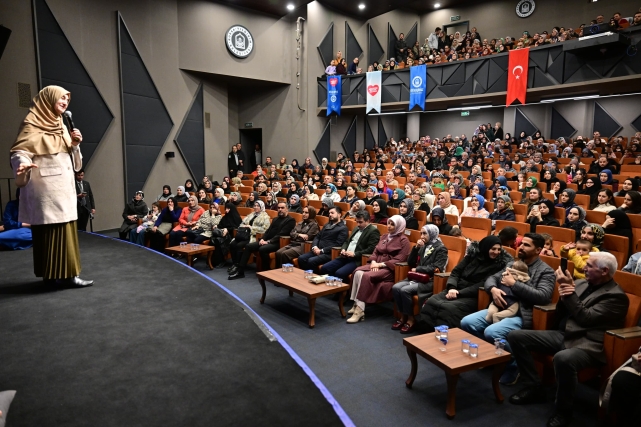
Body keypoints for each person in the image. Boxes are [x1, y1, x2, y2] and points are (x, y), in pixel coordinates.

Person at [507, 252, 629, 427]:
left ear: (604, 271)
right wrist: (564, 293)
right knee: (516, 336)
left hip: (587, 344)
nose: (583, 268)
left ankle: (563, 412)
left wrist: (568, 291)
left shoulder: (616, 296)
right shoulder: (580, 283)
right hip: (564, 334)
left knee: (563, 358)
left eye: (589, 266)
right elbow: (562, 310)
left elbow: (586, 318)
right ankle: (534, 387)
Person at [10, 87, 93, 286]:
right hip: (45, 190)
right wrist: (22, 164)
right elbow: (20, 152)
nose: (65, 102)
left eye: (67, 99)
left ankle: (68, 275)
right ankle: (52, 275)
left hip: (64, 190)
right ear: (48, 99)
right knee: (48, 234)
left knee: (67, 232)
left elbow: (75, 164)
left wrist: (75, 145)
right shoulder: (32, 123)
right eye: (61, 98)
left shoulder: (62, 125)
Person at [460, 234, 556, 385]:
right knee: (467, 322)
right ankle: (493, 357)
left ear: (538, 250)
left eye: (526, 245)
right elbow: (492, 278)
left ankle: (514, 364)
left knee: (492, 332)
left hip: (522, 313)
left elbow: (543, 296)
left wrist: (514, 284)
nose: (521, 247)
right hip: (501, 307)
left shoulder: (546, 271)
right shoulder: (512, 263)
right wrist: (493, 289)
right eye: (521, 243)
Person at [420, 236, 512, 330]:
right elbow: (456, 272)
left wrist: (459, 293)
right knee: (432, 301)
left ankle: (447, 334)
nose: (496, 252)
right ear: (486, 247)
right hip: (455, 288)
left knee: (449, 308)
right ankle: (426, 331)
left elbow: (483, 283)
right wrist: (452, 287)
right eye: (493, 249)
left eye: (499, 249)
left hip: (472, 295)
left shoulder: (499, 264)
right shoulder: (472, 255)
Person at [346, 215, 411, 323]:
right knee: (357, 271)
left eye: (392, 224)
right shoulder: (384, 236)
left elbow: (400, 258)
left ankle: (359, 310)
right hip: (376, 264)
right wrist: (373, 261)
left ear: (399, 226)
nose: (389, 226)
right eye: (389, 223)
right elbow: (375, 251)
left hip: (389, 269)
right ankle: (356, 303)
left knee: (365, 276)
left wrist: (380, 265)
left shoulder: (404, 240)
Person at [392, 225, 448, 334]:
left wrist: (418, 269)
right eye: (421, 233)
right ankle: (402, 316)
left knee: (405, 290)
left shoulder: (441, 248)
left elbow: (437, 267)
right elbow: (410, 262)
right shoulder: (422, 246)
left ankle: (411, 319)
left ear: (432, 234)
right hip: (416, 277)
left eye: (425, 233)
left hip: (429, 280)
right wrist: (416, 248)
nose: (422, 236)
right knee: (395, 287)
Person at [228, 202, 295, 279]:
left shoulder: (290, 220)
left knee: (262, 249)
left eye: (282, 208)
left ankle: (266, 270)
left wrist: (268, 241)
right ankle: (240, 271)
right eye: (279, 208)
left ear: (287, 209)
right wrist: (263, 239)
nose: (280, 209)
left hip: (278, 242)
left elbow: (281, 234)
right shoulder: (275, 219)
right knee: (248, 246)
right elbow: (267, 231)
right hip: (267, 241)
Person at [319, 211, 380, 282]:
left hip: (357, 260)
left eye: (360, 222)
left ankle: (340, 288)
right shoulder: (356, 228)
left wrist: (354, 254)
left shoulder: (373, 231)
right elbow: (347, 241)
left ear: (368, 221)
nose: (358, 224)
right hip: (345, 256)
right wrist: (343, 249)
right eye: (357, 222)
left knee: (339, 273)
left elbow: (371, 249)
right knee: (325, 268)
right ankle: (330, 286)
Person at [297, 206, 348, 272]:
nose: (330, 215)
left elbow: (338, 244)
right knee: (301, 258)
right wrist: (315, 246)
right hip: (317, 250)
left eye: (332, 213)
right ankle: (306, 274)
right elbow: (317, 236)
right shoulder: (327, 225)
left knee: (311, 261)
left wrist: (322, 251)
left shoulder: (343, 228)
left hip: (329, 253)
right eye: (329, 213)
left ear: (339, 214)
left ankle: (313, 276)